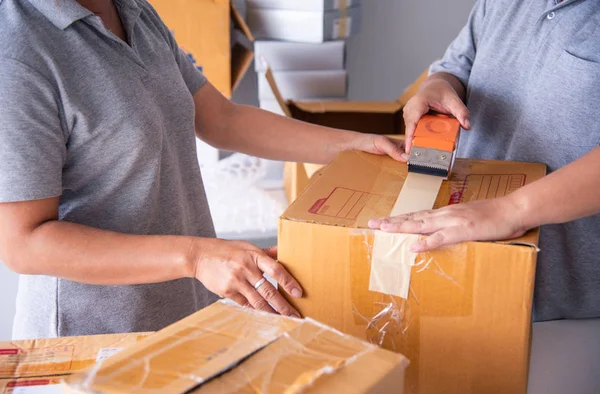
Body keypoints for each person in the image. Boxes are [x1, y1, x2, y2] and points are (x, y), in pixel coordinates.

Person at [0, 0, 406, 340]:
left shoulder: (131, 9)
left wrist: (355, 144)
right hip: (94, 338)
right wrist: (194, 256)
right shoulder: (18, 49)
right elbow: (22, 243)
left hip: (183, 315)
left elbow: (221, 119)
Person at [369, 0, 600, 322]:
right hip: (465, 270)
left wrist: (510, 210)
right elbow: (456, 66)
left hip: (571, 307)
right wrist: (438, 86)